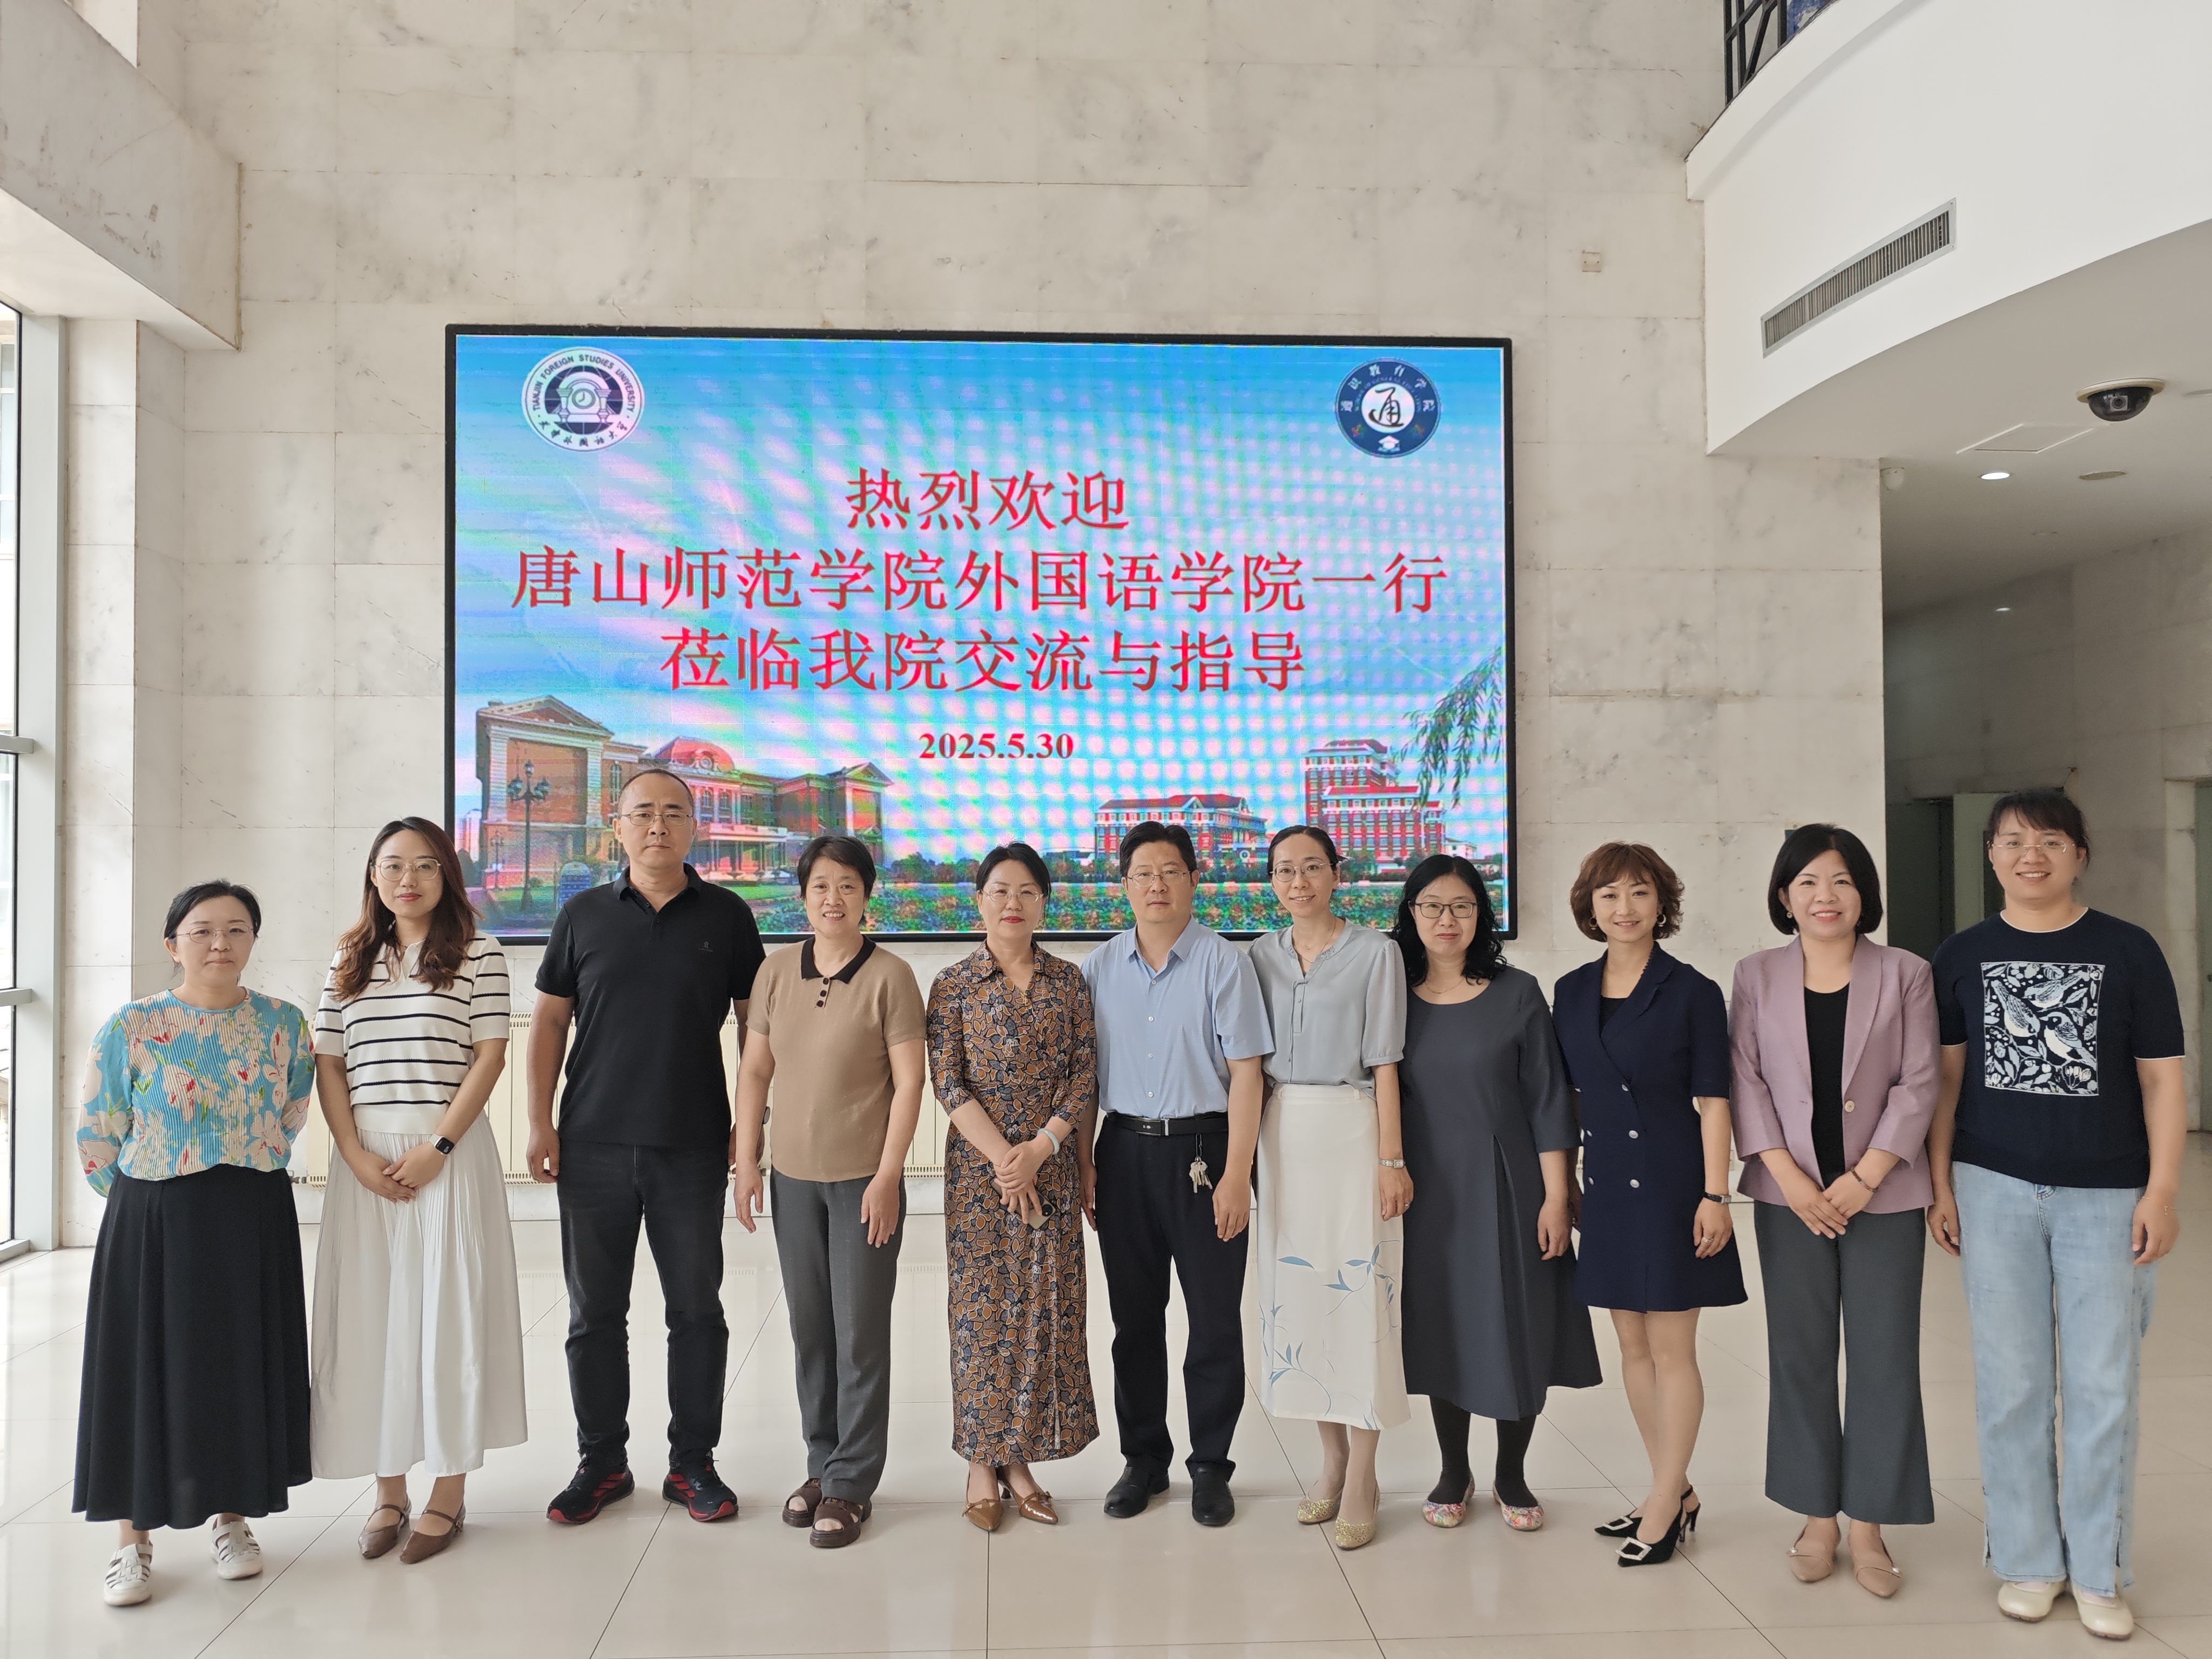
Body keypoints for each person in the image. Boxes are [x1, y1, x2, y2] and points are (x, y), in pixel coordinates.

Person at [1927, 791, 2185, 1639]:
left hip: (2107, 1196)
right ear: (1991, 856)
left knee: (2104, 1386)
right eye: (2011, 841)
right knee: (2012, 1385)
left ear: (2080, 853)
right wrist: (1941, 1182)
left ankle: (2100, 1570)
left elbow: (2162, 1079)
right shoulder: (1962, 955)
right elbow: (1947, 1080)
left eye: (2049, 840)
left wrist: (2162, 1190)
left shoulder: (2130, 950)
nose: (2029, 855)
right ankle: (2030, 1561)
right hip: (1993, 1187)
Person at [527, 767, 766, 1526]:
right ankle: (601, 1462)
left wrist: (750, 1128)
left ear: (694, 826)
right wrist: (539, 1121)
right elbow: (549, 1023)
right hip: (591, 1143)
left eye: (673, 813)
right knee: (594, 1314)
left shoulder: (728, 915)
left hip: (691, 1146)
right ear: (618, 826)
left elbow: (756, 1030)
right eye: (642, 814)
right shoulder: (582, 915)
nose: (657, 825)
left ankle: (693, 1463)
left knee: (696, 1311)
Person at [74, 881, 316, 1607]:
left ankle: (231, 1518)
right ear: (172, 943)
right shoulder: (132, 1024)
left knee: (235, 1362)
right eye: (203, 930)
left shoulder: (283, 1022)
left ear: (253, 941)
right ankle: (132, 1541)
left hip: (250, 1211)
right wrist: (144, 1198)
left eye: (238, 929)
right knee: (143, 1367)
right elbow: (99, 1129)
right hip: (154, 1212)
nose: (220, 943)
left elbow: (292, 1109)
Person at [310, 818, 526, 1563]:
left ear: (448, 877)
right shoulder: (348, 957)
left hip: (447, 1156)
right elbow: (330, 1063)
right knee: (371, 1320)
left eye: (427, 866)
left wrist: (438, 1147)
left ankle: (449, 1493)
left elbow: (490, 1057)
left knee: (448, 1317)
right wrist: (352, 1153)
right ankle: (388, 1491)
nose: (409, 880)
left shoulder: (479, 952)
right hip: (364, 1162)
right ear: (373, 876)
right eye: (393, 865)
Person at [1731, 824, 1938, 1597]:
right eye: (1809, 882)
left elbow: (1919, 1082)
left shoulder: (1906, 972)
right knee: (1801, 1354)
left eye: (1843, 880)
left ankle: (1870, 1524)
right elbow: (1745, 1078)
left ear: (1864, 894)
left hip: (1884, 1196)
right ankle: (1817, 1516)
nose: (1827, 896)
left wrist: (1868, 1175)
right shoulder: (1755, 974)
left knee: (1885, 1357)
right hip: (1789, 1197)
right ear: (1785, 896)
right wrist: (1788, 1176)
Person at [1393, 854, 1600, 1537]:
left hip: (1509, 1182)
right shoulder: (1390, 993)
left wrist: (1555, 1196)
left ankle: (1511, 1472)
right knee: (1443, 1324)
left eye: (1461, 906)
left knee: (1518, 1324)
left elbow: (1548, 1100)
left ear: (1480, 915)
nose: (1446, 919)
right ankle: (1453, 1470)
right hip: (1428, 1190)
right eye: (1431, 906)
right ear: (1411, 914)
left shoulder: (1517, 992)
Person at [1552, 843, 1743, 1567]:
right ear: (1589, 907)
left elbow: (1714, 1100)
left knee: (1671, 1348)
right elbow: (1571, 1096)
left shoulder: (1691, 990)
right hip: (1605, 1184)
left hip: (1672, 1184)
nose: (1624, 908)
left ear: (1661, 903)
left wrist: (1715, 1194)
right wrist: (1568, 1181)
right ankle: (1674, 1488)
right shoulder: (1571, 990)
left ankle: (1663, 1502)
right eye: (1608, 895)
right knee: (1632, 1346)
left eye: (1638, 892)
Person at [733, 834, 926, 1549]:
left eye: (847, 885)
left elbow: (911, 1082)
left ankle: (852, 1483)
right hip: (793, 1180)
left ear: (866, 896)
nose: (833, 898)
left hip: (862, 1185)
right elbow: (755, 1071)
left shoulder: (891, 977)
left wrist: (888, 1175)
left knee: (859, 1333)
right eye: (820, 885)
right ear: (803, 896)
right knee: (810, 1329)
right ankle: (823, 1463)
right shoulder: (776, 972)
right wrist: (746, 1160)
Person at [1083, 820, 1272, 1527]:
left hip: (1205, 1152)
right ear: (1124, 885)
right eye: (1143, 873)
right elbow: (1085, 1078)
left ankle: (1210, 1465)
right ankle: (1144, 1461)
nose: (1156, 885)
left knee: (1215, 1320)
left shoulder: (1224, 963)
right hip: (1123, 1153)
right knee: (1134, 1320)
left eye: (1170, 871)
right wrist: (1085, 1164)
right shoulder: (1099, 968)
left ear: (1194, 879)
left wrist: (1237, 1174)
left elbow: (1248, 1073)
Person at [927, 842, 1100, 1530]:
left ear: (1042, 903)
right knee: (980, 1316)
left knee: (1041, 1312)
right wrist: (1006, 1159)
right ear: (979, 900)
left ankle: (1018, 1459)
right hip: (981, 1174)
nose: (1012, 903)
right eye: (999, 890)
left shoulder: (1068, 981)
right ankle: (980, 1459)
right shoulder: (953, 984)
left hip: (1050, 1167)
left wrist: (1041, 1149)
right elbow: (948, 1082)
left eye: (1027, 891)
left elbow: (1083, 1074)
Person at [1250, 825, 1410, 1552]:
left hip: (1352, 1131)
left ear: (1337, 874)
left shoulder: (1376, 953)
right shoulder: (1259, 956)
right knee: (1305, 1298)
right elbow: (1249, 1067)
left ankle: (1365, 1473)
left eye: (1312, 867)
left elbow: (1385, 1063)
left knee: (1361, 1295)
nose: (1299, 882)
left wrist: (1390, 1158)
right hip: (1283, 1134)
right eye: (1285, 870)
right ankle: (1332, 1458)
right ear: (1272, 881)